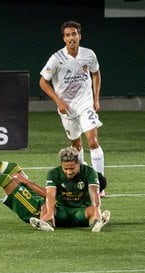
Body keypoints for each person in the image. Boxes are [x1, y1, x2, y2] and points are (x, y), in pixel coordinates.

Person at [0, 133, 110, 232]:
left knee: (8, 181)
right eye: (66, 169)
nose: (68, 172)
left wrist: (26, 183)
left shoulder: (86, 179)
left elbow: (51, 198)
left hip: (34, 209)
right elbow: (50, 196)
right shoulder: (60, 174)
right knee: (14, 168)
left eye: (71, 169)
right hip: (47, 204)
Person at [39, 20, 107, 197]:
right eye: (68, 35)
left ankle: (99, 184)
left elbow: (96, 73)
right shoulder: (56, 59)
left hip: (86, 103)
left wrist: (96, 99)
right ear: (64, 38)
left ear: (79, 36)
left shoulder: (89, 54)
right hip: (67, 108)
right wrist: (58, 101)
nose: (71, 38)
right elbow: (42, 82)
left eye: (74, 34)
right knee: (76, 144)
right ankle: (82, 179)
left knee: (92, 141)